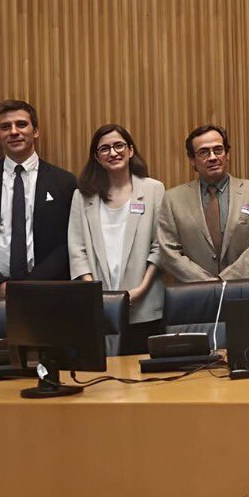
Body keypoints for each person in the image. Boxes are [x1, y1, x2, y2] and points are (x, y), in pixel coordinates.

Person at [0, 99, 77, 344]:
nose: (14, 131)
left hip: (45, 291)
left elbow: (69, 242)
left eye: (21, 124)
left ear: (36, 131)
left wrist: (30, 286)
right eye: (5, 127)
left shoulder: (63, 181)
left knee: (43, 362)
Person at [67, 124, 166, 355]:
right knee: (106, 373)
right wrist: (94, 295)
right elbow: (77, 250)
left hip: (144, 304)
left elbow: (160, 246)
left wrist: (140, 289)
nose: (113, 153)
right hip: (98, 307)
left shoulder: (153, 189)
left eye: (119, 145)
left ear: (131, 150)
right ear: (97, 157)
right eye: (105, 149)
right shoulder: (82, 196)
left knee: (141, 372)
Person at [154, 125, 249, 282]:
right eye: (204, 152)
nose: (212, 157)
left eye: (218, 150)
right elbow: (168, 251)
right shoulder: (173, 199)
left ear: (227, 154)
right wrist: (206, 283)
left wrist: (225, 281)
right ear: (192, 160)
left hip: (244, 289)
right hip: (194, 293)